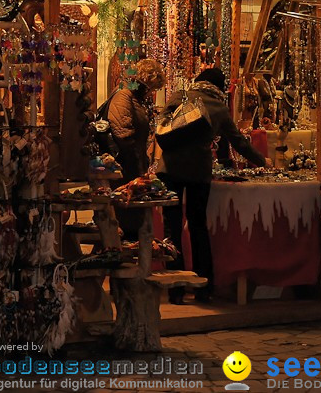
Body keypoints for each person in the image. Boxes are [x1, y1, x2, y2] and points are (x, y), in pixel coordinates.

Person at [157, 67, 266, 304]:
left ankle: (175, 289)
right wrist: (261, 160)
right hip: (198, 172)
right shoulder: (219, 107)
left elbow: (161, 125)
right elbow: (238, 142)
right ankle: (203, 287)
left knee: (171, 228)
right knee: (198, 227)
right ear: (218, 86)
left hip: (169, 170)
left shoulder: (179, 96)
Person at [106, 58, 164, 240]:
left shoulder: (133, 99)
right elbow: (123, 134)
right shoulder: (124, 97)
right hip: (124, 168)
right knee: (126, 216)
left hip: (132, 166)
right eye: (151, 89)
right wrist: (138, 166)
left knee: (133, 217)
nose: (150, 94)